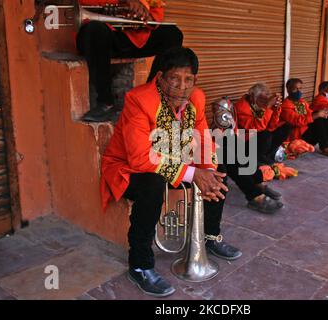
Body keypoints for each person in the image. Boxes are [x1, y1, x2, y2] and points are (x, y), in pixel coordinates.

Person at [100, 47, 241, 297]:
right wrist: (193, 174)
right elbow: (140, 158)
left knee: (218, 170)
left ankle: (210, 236)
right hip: (127, 167)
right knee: (152, 185)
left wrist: (207, 169)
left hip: (174, 159)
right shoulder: (139, 100)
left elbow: (204, 137)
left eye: (188, 80)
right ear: (161, 77)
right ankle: (140, 265)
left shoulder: (196, 97)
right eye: (174, 78)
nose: (182, 86)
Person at [76, 0, 183, 122]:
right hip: (103, 33)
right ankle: (105, 102)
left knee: (173, 34)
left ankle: (150, 97)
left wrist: (144, 13)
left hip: (133, 37)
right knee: (94, 30)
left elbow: (157, 14)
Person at [211, 98, 284, 214]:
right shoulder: (241, 108)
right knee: (231, 160)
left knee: (242, 154)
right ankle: (254, 195)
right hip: (207, 153)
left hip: (234, 141)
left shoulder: (237, 116)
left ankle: (259, 183)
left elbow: (262, 126)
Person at [279, 79, 328, 159]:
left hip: (306, 133)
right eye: (295, 89)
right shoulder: (285, 106)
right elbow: (297, 121)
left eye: (300, 88)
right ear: (288, 90)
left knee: (324, 116)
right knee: (318, 118)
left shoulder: (302, 102)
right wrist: (317, 115)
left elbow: (310, 113)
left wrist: (323, 113)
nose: (298, 91)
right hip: (297, 137)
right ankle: (325, 147)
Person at [235, 83, 291, 165]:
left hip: (261, 134)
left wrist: (276, 109)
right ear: (252, 97)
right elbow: (256, 127)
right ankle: (258, 157)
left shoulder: (260, 104)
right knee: (265, 134)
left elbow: (272, 126)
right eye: (262, 100)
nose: (265, 102)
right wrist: (267, 106)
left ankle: (267, 154)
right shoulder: (241, 107)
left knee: (286, 126)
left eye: (266, 99)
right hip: (247, 140)